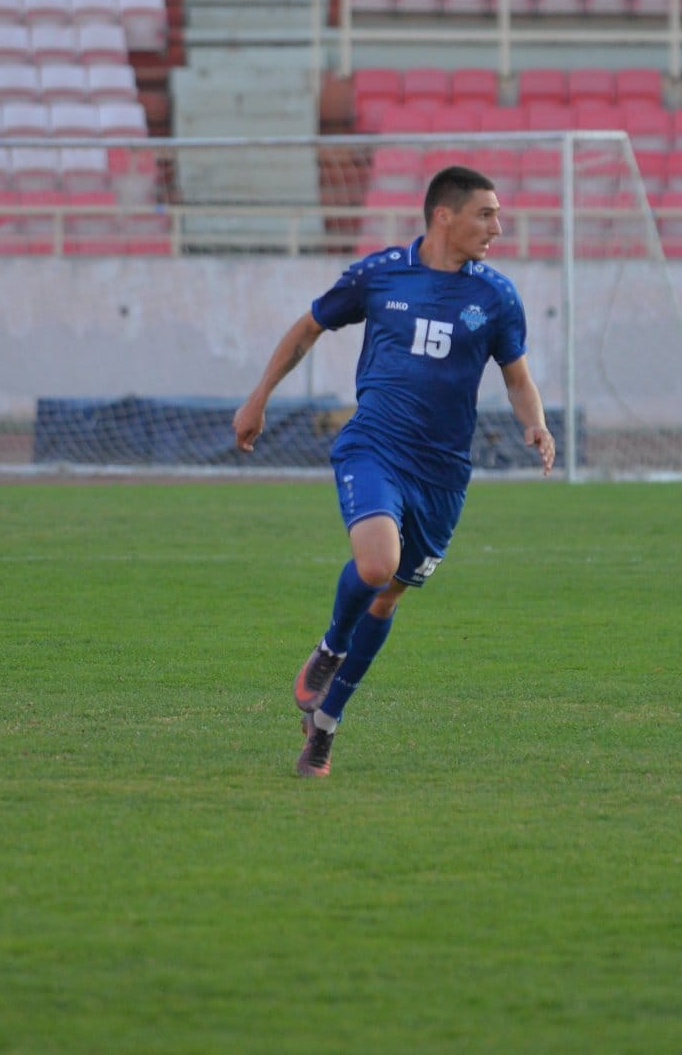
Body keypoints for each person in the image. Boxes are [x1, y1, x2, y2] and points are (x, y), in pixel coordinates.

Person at [234, 165, 556, 778]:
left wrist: (533, 423)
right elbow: (309, 328)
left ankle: (324, 730)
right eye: (486, 214)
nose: (498, 227)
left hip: (443, 474)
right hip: (375, 445)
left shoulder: (496, 296)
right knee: (376, 565)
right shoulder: (380, 274)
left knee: (387, 598)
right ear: (444, 215)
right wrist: (258, 399)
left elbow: (516, 377)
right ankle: (329, 649)